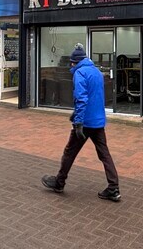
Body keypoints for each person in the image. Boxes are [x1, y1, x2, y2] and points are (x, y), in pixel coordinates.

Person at [42, 43, 121, 202]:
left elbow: (81, 98)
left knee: (69, 152)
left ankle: (59, 182)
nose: (71, 65)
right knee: (104, 155)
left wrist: (78, 121)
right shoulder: (97, 72)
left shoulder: (80, 73)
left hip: (85, 123)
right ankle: (114, 188)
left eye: (72, 62)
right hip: (98, 121)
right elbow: (95, 97)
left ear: (75, 62)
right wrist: (76, 113)